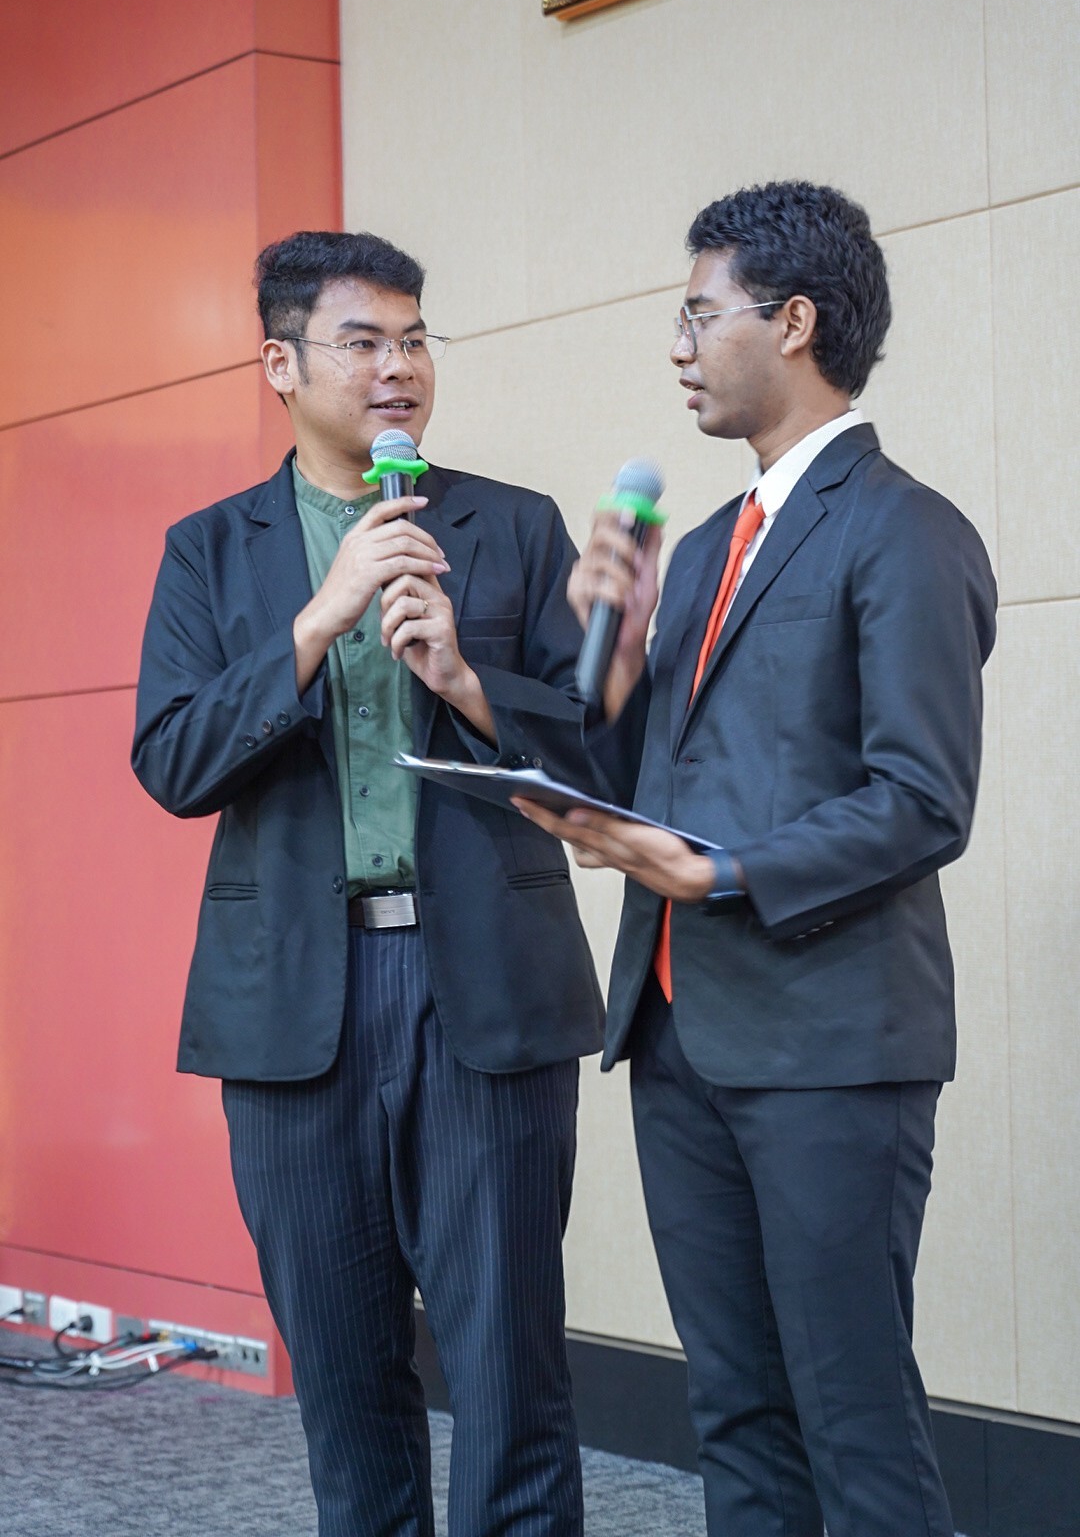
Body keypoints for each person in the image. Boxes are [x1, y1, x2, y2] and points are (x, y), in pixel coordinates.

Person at [516, 181, 996, 1536]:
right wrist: (610, 654)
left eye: (698, 314)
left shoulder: (905, 528)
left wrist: (723, 876)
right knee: (734, 1413)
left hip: (831, 1046)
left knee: (854, 1420)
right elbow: (647, 783)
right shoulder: (709, 548)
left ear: (792, 322)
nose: (676, 346)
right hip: (680, 1036)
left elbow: (923, 800)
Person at [132, 229, 604, 1537]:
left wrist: (468, 682)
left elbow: (597, 749)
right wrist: (318, 618)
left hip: (484, 993)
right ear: (280, 364)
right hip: (295, 1004)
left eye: (414, 340)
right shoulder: (210, 551)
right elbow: (173, 762)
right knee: (345, 1384)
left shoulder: (510, 527)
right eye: (363, 341)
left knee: (511, 1372)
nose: (398, 368)